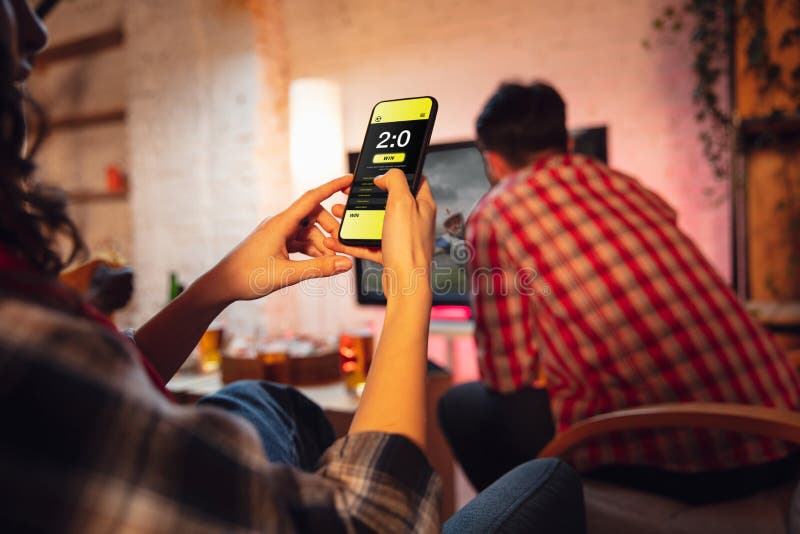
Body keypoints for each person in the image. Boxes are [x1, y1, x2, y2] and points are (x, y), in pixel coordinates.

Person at [0, 2, 586, 532]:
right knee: (545, 477)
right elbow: (376, 520)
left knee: (265, 399)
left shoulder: (27, 328)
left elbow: (99, 383)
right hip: (622, 427)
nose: (37, 26)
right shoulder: (23, 340)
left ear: (495, 155)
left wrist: (219, 286)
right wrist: (411, 288)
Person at [437, 81, 800, 503]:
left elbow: (508, 374)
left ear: (493, 160)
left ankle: (538, 516)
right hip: (783, 427)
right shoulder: (622, 183)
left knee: (462, 404)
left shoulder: (495, 213)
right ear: (567, 142)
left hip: (698, 463)